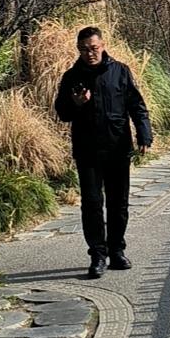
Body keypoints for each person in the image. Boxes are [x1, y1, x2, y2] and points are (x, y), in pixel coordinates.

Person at [55, 25, 153, 279]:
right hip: (87, 151)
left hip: (118, 147)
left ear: (103, 45)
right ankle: (98, 255)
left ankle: (116, 250)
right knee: (92, 205)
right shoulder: (71, 77)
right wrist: (76, 104)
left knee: (118, 204)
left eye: (94, 48)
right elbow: (62, 113)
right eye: (84, 49)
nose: (89, 53)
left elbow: (137, 106)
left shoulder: (120, 71)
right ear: (79, 50)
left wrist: (144, 134)